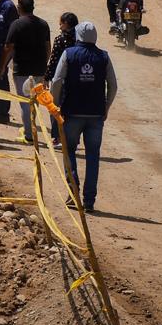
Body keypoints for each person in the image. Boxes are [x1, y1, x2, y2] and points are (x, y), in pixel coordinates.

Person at [50, 21, 118, 213]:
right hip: (96, 114)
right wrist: (106, 107)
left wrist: (56, 104)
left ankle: (73, 194)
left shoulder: (69, 54)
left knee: (69, 151)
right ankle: (89, 200)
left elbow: (56, 81)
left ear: (78, 36)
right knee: (93, 156)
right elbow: (113, 85)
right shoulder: (104, 57)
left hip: (72, 112)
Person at [0, 0, 51, 144]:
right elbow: (48, 47)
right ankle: (30, 128)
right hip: (39, 69)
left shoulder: (16, 24)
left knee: (24, 102)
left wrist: (2, 66)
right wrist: (45, 65)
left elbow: (8, 47)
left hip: (21, 69)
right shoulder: (44, 24)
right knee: (34, 102)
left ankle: (29, 134)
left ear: (19, 7)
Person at [43, 11, 79, 144]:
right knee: (72, 108)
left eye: (61, 23)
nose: (59, 26)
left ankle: (57, 137)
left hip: (61, 80)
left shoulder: (60, 40)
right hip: (77, 80)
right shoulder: (80, 40)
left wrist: (46, 77)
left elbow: (53, 61)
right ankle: (71, 137)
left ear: (66, 24)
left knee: (55, 107)